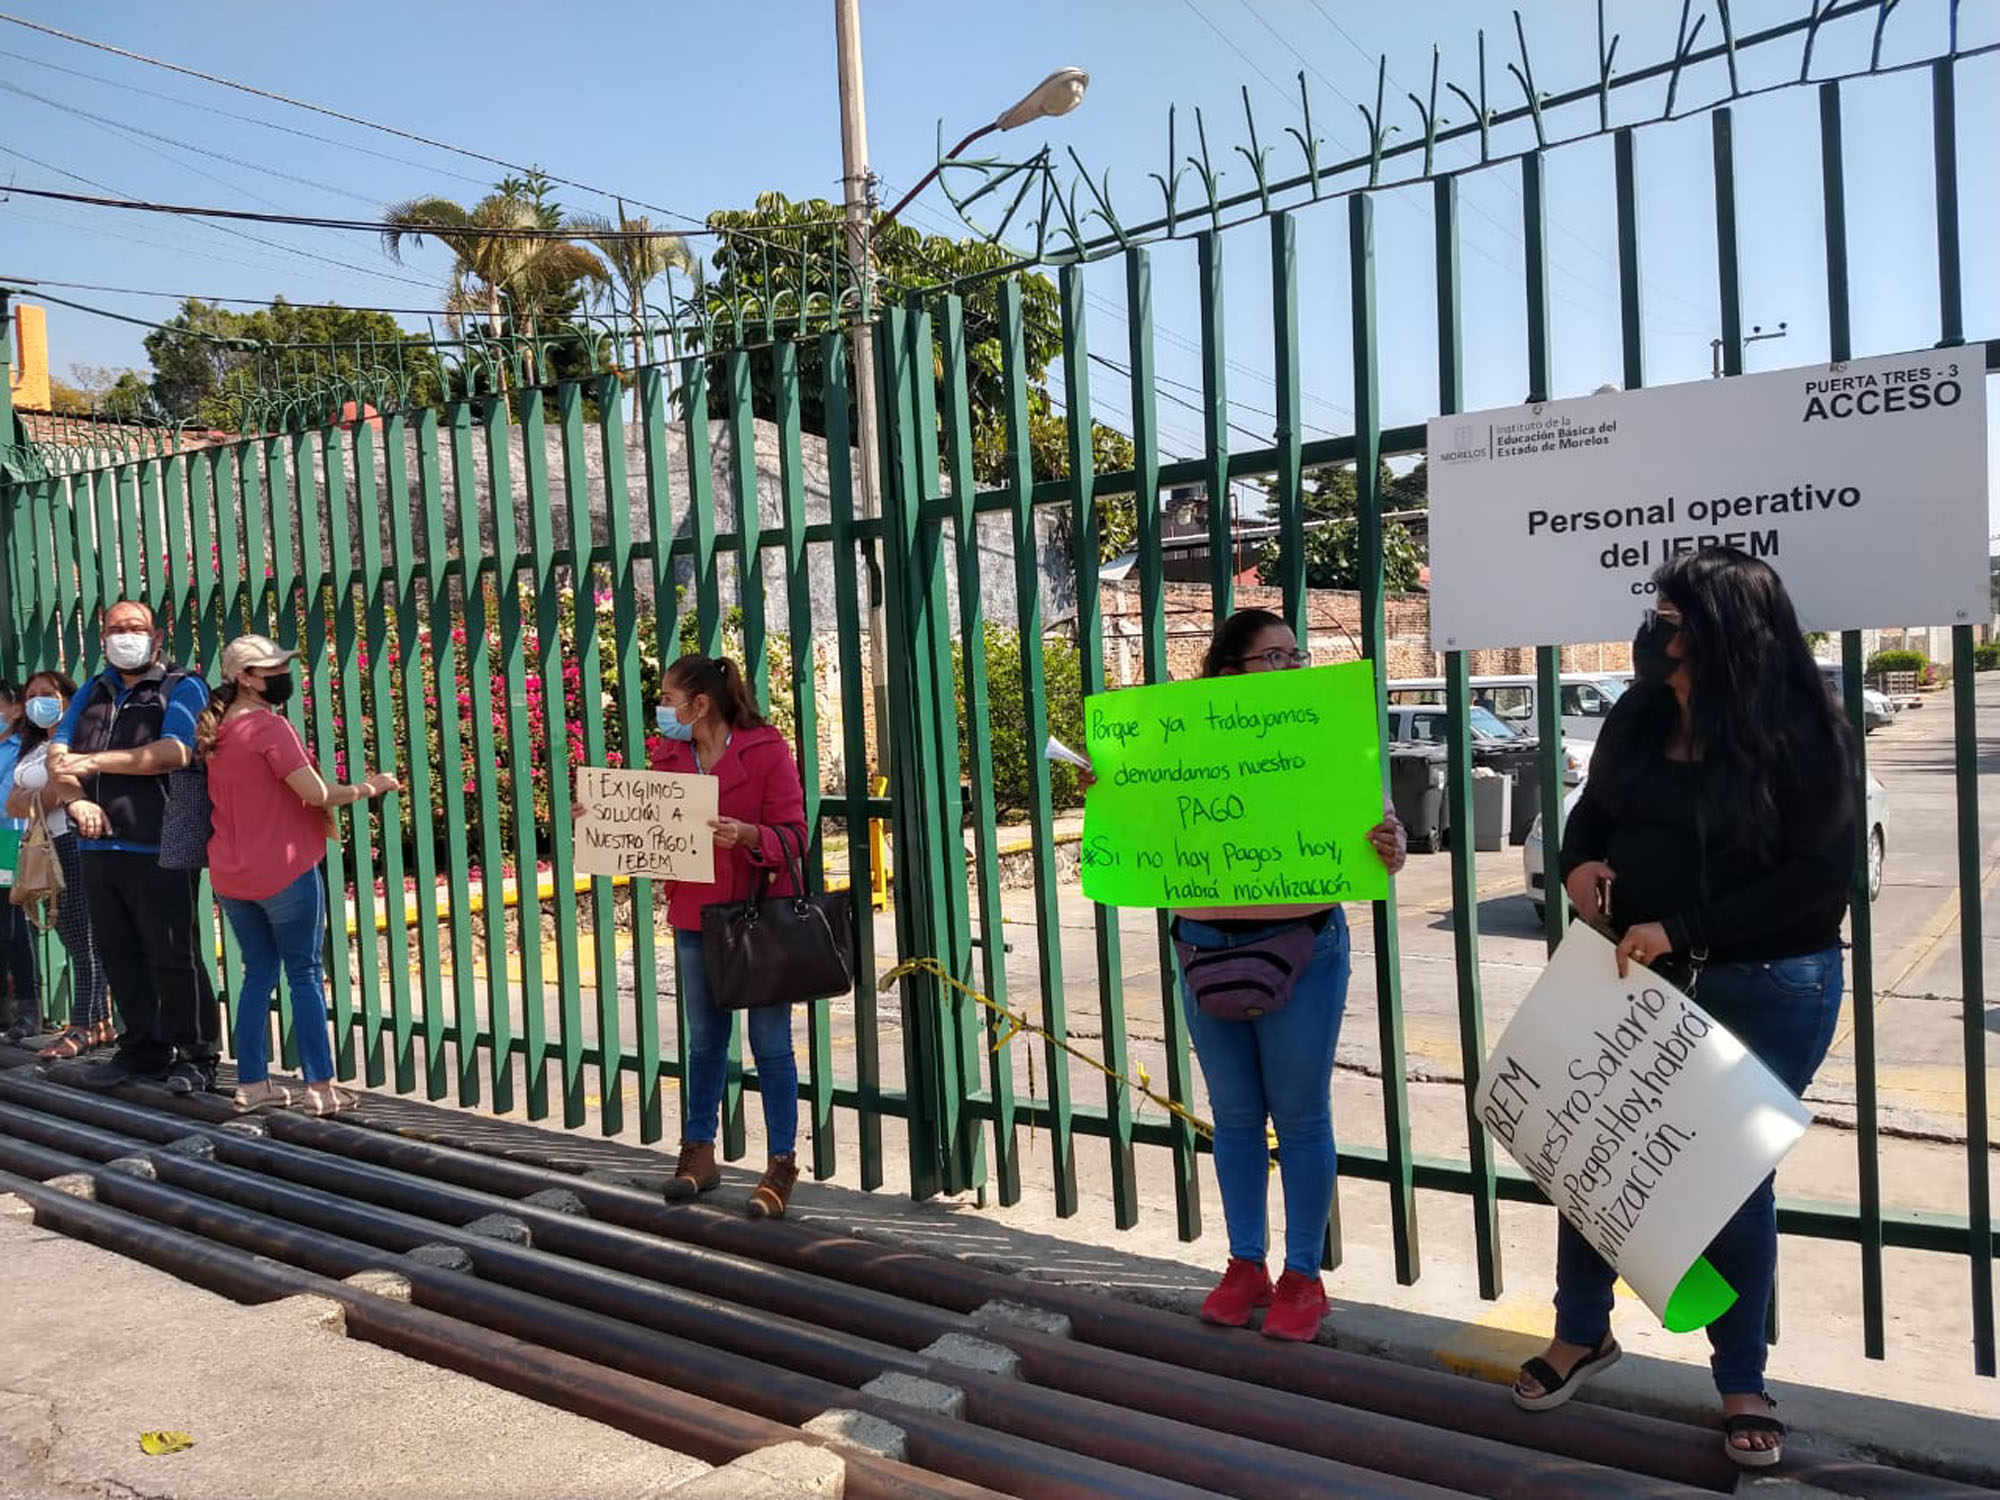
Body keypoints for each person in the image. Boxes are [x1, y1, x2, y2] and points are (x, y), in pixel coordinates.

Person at [1510, 546, 1854, 1470]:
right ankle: (1581, 1333)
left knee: (1730, 1186)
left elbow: (1823, 882)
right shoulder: (1641, 711)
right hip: (1635, 976)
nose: (1651, 631)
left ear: (1721, 630)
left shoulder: (1805, 728)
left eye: (1669, 617)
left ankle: (1742, 1378)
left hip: (1766, 985)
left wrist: (1685, 929)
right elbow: (1594, 813)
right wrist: (1580, 865)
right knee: (1592, 1152)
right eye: (1654, 613)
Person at [1088, 609, 1407, 1343]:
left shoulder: (1331, 737)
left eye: (1297, 656)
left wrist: (1388, 843)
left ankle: (1302, 1274)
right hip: (1204, 946)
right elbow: (1136, 827)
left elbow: (1383, 847)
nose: (1292, 668)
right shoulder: (1180, 740)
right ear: (1229, 672)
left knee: (1299, 1114)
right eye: (1275, 657)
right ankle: (1244, 1263)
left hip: (1304, 943)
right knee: (1234, 1117)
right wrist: (1114, 787)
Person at [579, 653, 810, 1218]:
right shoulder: (672, 757)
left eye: (668, 699)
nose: (663, 710)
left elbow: (796, 833)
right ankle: (698, 1152)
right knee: (706, 1039)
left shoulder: (765, 749)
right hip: (695, 916)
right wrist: (604, 820)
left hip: (758, 916)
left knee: (771, 1043)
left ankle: (781, 1163)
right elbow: (653, 832)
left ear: (699, 704)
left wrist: (751, 835)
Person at [200, 634, 399, 1116]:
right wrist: (370, 787)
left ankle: (251, 1083)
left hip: (232, 875)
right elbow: (314, 793)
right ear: (243, 678)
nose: (281, 676)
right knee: (306, 973)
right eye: (270, 670)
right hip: (284, 869)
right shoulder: (269, 729)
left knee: (256, 974)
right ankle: (320, 1086)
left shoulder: (214, 731)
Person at [48, 600, 218, 1093]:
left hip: (160, 843)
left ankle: (195, 1055)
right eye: (116, 629)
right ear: (102, 638)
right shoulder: (92, 690)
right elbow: (59, 755)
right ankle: (141, 1048)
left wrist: (94, 762)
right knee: (119, 953)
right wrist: (76, 803)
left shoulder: (181, 687)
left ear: (156, 636)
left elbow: (173, 752)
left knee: (173, 953)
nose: (126, 636)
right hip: (99, 848)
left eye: (135, 628)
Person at [6, 672, 112, 1058]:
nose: (38, 703)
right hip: (45, 848)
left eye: (47, 695)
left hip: (75, 844)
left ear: (68, 699)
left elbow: (50, 795)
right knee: (71, 937)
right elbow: (14, 803)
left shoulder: (78, 743)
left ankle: (83, 1024)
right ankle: (98, 1020)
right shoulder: (35, 749)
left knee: (84, 941)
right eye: (31, 696)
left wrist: (41, 794)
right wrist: (44, 793)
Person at [0, 680, 43, 1044]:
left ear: (15, 709)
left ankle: (29, 1006)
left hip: (10, 843)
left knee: (15, 925)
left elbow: (7, 799)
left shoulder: (22, 747)